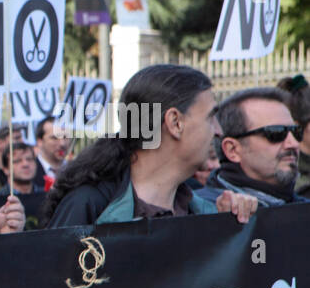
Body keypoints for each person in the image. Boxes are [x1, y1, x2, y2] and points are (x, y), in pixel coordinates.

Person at [44, 64, 259, 228]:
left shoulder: (203, 208)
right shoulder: (90, 205)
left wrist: (227, 225)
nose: (219, 131)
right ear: (175, 123)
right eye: (211, 117)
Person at [193, 87, 307, 208]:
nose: (293, 143)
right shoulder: (198, 212)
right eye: (276, 133)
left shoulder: (303, 209)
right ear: (232, 150)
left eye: (296, 132)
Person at [33, 116, 69, 183]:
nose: (62, 144)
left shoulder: (77, 172)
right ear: (40, 141)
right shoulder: (29, 172)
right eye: (54, 138)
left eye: (65, 137)